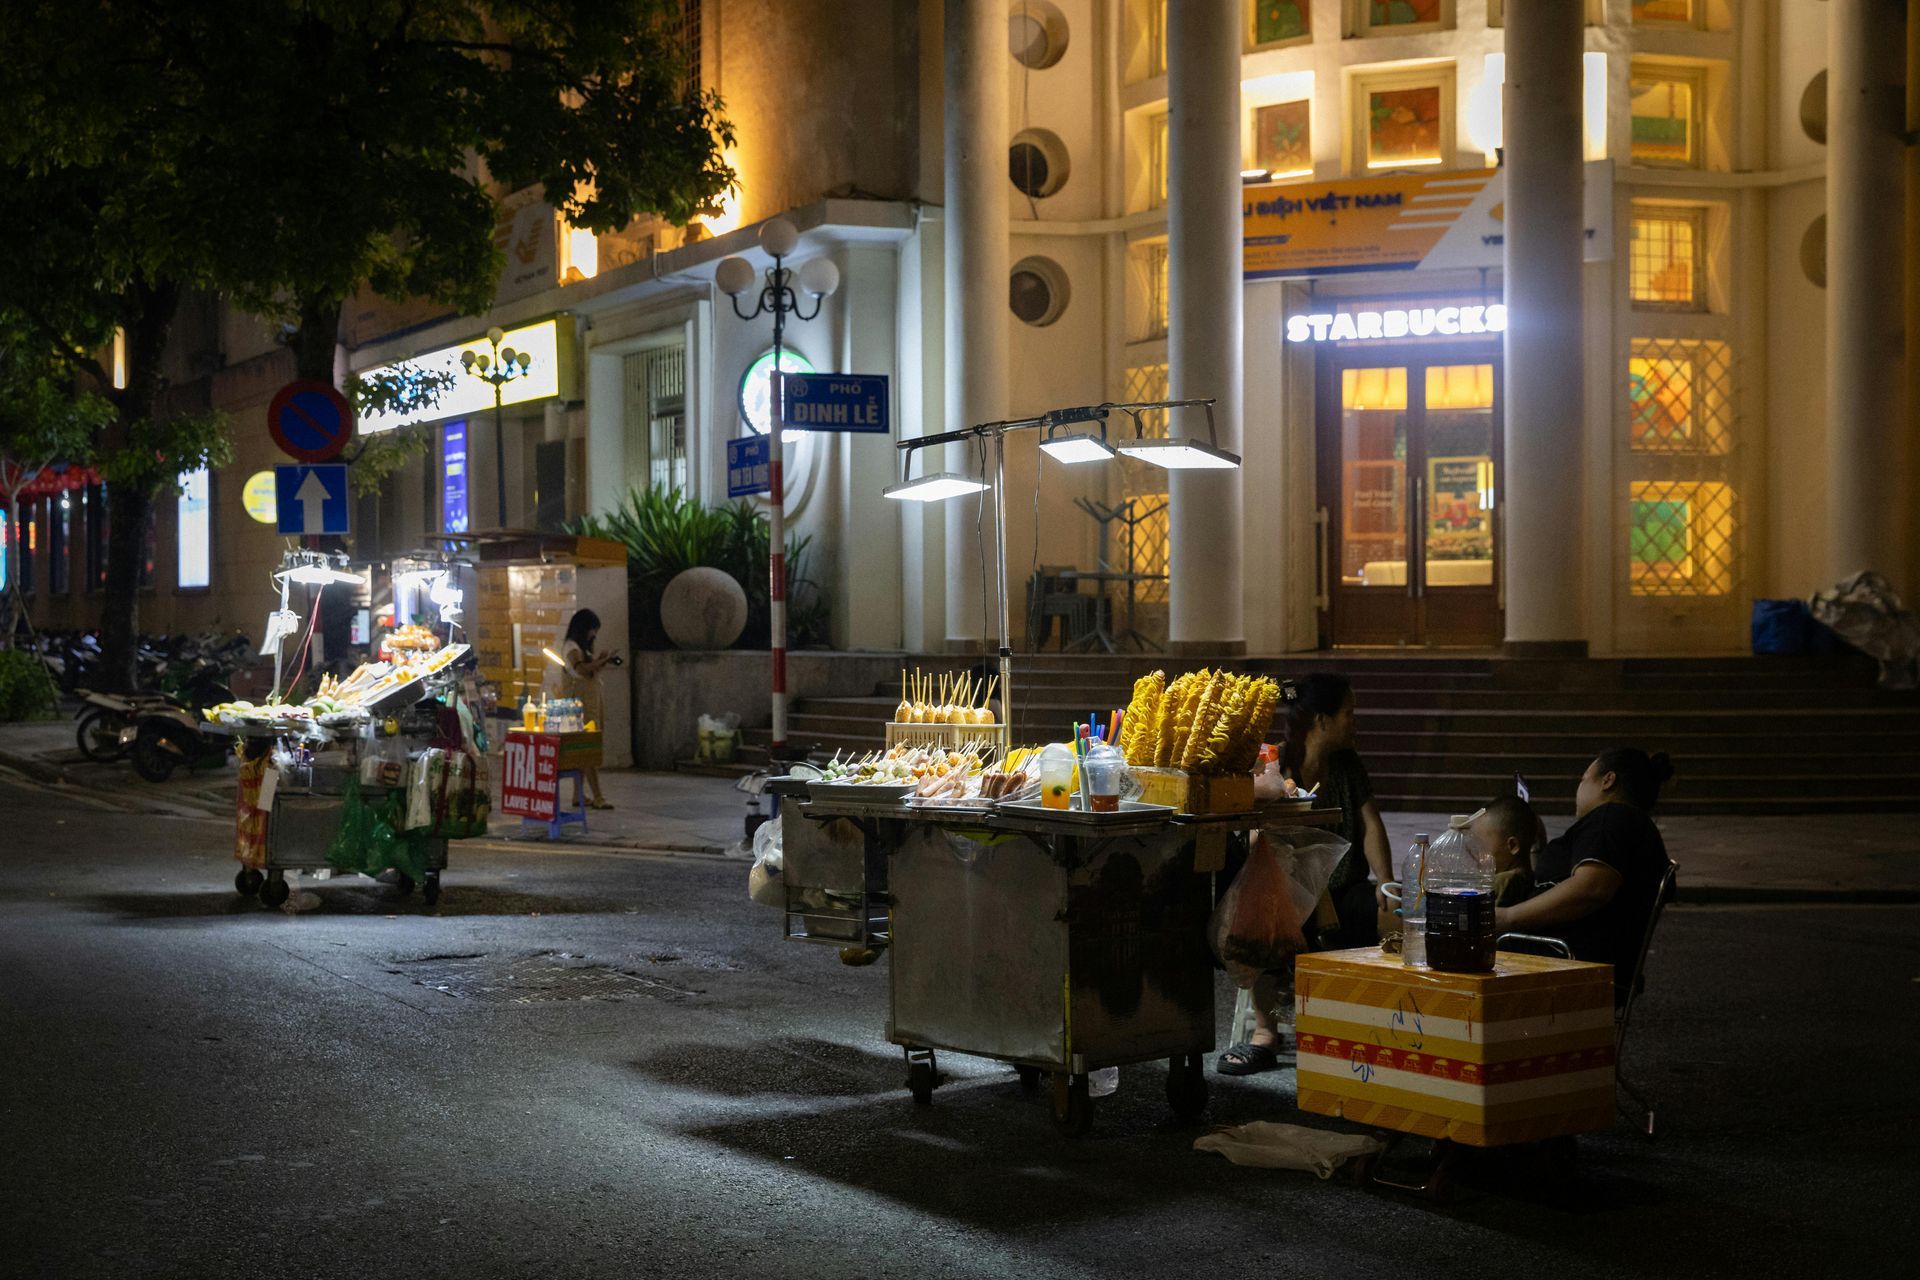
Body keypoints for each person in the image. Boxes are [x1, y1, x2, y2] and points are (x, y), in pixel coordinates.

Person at [1220, 673, 1393, 1076]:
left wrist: (1385, 881)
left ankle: (1371, 1027)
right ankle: (1265, 1032)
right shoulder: (1273, 765)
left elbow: (1370, 825)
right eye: (1349, 713)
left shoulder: (1347, 764)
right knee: (1264, 920)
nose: (1355, 722)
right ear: (1321, 720)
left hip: (1344, 889)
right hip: (1292, 895)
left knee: (1392, 918)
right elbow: (1253, 837)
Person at [1494, 748, 1675, 1002]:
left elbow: (1590, 889)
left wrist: (1507, 917)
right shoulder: (1624, 824)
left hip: (1565, 961)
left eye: (1583, 779)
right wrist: (1536, 845)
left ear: (1608, 780)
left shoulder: (1611, 817)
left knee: (1450, 935)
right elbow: (1556, 884)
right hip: (1565, 955)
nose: (1578, 789)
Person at [549, 608, 616, 810]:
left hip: (590, 702)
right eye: (592, 629)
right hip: (580, 707)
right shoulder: (571, 648)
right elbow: (581, 670)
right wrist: (601, 661)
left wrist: (600, 661)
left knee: (585, 751)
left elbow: (588, 672)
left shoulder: (581, 648)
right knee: (587, 750)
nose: (594, 634)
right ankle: (597, 796)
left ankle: (579, 795)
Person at [1467, 794, 1541, 908]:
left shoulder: (1505, 883)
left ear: (1513, 846)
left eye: (1481, 845)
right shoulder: (1528, 877)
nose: (1475, 854)